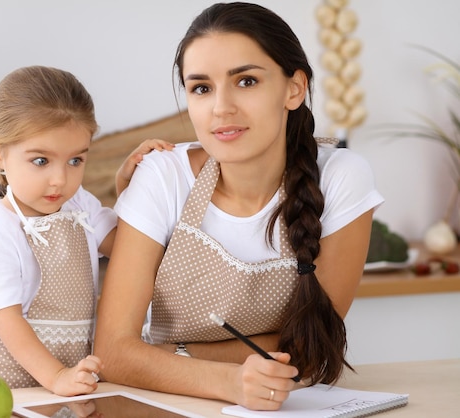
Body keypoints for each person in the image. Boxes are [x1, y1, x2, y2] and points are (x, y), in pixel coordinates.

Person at [94, 2, 384, 411]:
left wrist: (171, 356)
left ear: (294, 88)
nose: (221, 108)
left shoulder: (341, 176)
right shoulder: (162, 177)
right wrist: (231, 381)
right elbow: (113, 353)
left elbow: (315, 346)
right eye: (201, 88)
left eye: (246, 81)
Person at [0, 65, 173, 397]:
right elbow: (7, 323)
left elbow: (124, 246)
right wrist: (56, 376)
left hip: (68, 382)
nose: (60, 179)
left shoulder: (78, 204)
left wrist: (132, 186)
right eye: (41, 161)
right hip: (1, 388)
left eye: (75, 161)